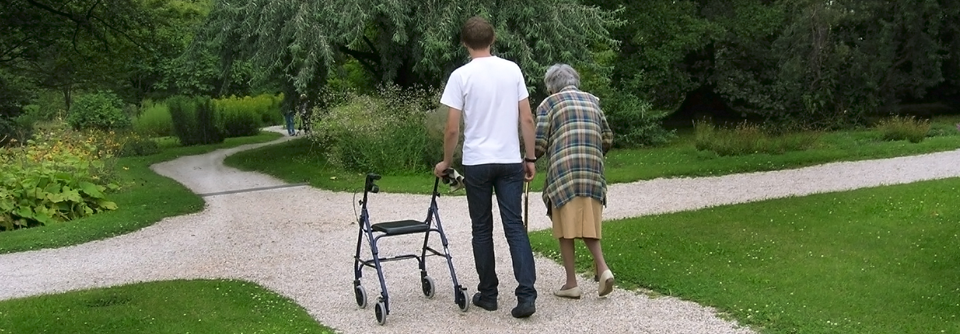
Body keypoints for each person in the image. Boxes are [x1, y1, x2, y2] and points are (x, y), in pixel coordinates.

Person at [433, 16, 539, 318]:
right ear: (492, 39)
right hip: (508, 160)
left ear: (465, 43)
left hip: (477, 161)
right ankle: (526, 294)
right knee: (514, 226)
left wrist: (446, 162)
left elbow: (452, 128)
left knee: (481, 228)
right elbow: (527, 119)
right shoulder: (512, 70)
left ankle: (489, 293)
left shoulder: (460, 76)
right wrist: (529, 158)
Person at [533, 64, 615, 299]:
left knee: (565, 227)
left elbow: (539, 142)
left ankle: (575, 281)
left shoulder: (549, 104)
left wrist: (527, 160)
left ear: (551, 86)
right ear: (575, 81)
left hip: (564, 172)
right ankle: (600, 270)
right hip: (592, 172)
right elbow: (607, 137)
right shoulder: (592, 101)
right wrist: (593, 154)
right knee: (587, 221)